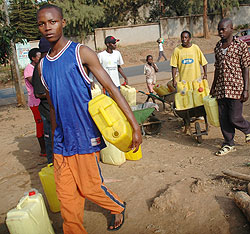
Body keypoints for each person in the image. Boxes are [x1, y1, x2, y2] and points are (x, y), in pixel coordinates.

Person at [37, 4, 142, 233]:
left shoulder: (80, 53)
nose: (47, 27)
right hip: (62, 141)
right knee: (66, 195)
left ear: (63, 22)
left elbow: (112, 89)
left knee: (90, 188)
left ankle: (117, 206)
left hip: (84, 135)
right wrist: (54, 142)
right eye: (42, 24)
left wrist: (135, 125)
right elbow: (53, 107)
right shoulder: (43, 66)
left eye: (52, 21)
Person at [210, 18, 250, 156]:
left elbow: (245, 68)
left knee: (234, 117)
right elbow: (217, 68)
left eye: (223, 29)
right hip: (221, 88)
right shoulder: (217, 47)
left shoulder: (240, 46)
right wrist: (213, 87)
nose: (220, 32)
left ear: (231, 28)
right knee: (223, 118)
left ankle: (248, 130)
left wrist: (246, 89)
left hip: (236, 87)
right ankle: (228, 143)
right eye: (219, 29)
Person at [32, 38, 53, 164]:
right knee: (50, 139)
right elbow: (39, 93)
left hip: (55, 110)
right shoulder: (41, 65)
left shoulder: (51, 63)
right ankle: (52, 164)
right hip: (46, 111)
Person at [24, 48, 46, 157]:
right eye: (38, 56)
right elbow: (35, 83)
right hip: (35, 101)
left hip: (41, 100)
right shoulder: (29, 69)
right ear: (33, 58)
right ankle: (43, 150)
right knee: (40, 124)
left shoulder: (39, 67)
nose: (40, 58)